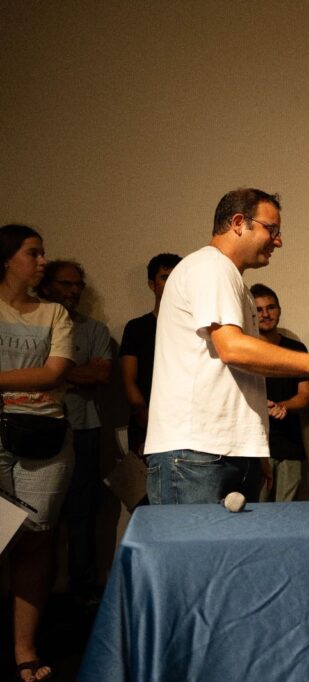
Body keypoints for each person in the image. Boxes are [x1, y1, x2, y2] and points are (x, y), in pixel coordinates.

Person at [143, 188, 309, 505]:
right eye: (271, 229)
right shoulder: (211, 267)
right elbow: (233, 349)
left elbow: (242, 366)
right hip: (197, 453)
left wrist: (252, 447)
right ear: (238, 223)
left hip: (223, 452)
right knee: (193, 541)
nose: (278, 241)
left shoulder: (231, 280)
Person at [0, 224, 75, 682]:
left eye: (43, 253)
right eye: (33, 253)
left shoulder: (54, 313)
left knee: (34, 539)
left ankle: (24, 649)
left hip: (42, 437)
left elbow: (53, 373)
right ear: (7, 259)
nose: (42, 261)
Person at [37, 260, 112, 606]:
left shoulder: (93, 328)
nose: (73, 291)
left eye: (78, 285)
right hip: (39, 426)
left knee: (83, 511)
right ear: (47, 285)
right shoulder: (33, 322)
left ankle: (82, 589)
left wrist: (51, 371)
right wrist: (74, 371)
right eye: (65, 284)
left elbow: (100, 375)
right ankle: (38, 588)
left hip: (84, 428)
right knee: (40, 513)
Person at [251, 284, 309, 502]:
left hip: (289, 444)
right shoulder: (243, 350)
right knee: (255, 511)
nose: (265, 314)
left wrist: (282, 406)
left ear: (279, 310)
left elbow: (305, 395)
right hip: (254, 445)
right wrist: (261, 407)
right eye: (258, 310)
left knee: (288, 513)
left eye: (270, 307)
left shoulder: (296, 349)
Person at [119, 253, 181, 455]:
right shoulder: (136, 328)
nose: (171, 283)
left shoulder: (194, 327)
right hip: (146, 421)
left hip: (186, 423)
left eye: (176, 277)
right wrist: (143, 414)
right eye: (165, 277)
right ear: (152, 284)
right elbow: (128, 379)